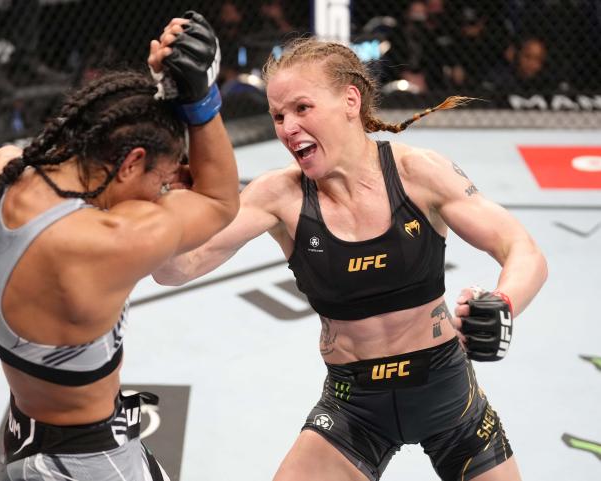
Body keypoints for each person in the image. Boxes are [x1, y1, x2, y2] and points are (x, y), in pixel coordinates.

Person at [153, 37, 547, 481]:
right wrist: (160, 203)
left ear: (350, 101)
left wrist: (504, 303)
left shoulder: (418, 172)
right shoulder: (277, 196)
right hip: (353, 409)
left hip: (449, 400)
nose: (287, 127)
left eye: (302, 108)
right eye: (278, 115)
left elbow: (523, 250)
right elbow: (175, 269)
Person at [0, 11, 239, 480]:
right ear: (131, 162)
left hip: (27, 438)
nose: (164, 195)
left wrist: (163, 94)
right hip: (90, 464)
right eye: (163, 182)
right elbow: (218, 199)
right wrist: (201, 102)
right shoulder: (106, 242)